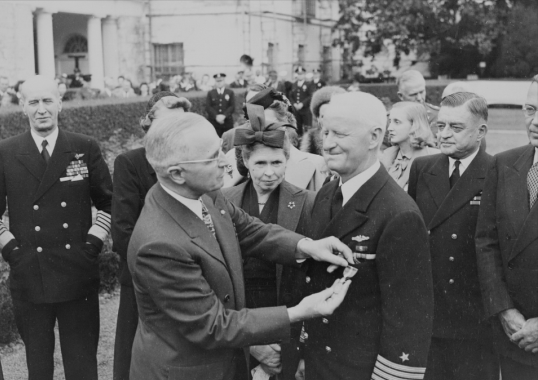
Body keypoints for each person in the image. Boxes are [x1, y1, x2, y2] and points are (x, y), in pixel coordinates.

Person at [128, 111, 354, 380]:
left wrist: (306, 246)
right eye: (213, 157)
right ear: (177, 173)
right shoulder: (159, 245)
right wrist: (299, 312)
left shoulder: (204, 193)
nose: (226, 163)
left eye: (221, 151)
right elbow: (213, 326)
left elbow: (249, 230)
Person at [300, 91, 434, 380]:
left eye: (340, 134)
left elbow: (407, 320)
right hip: (319, 365)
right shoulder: (327, 194)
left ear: (374, 138)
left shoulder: (399, 214)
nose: (328, 143)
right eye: (325, 132)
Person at [0, 75, 112, 380]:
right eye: (33, 102)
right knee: (39, 366)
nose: (41, 109)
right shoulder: (6, 151)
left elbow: (110, 203)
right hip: (29, 273)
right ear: (22, 106)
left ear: (60, 103)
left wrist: (93, 244)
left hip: (77, 271)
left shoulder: (83, 147)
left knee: (82, 364)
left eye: (47, 100)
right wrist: (11, 250)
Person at [408, 92, 498, 380]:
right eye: (440, 125)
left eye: (456, 128)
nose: (444, 134)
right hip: (428, 312)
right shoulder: (422, 168)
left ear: (481, 131)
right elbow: (414, 235)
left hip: (474, 318)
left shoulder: (499, 171)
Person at [222, 104, 315, 380]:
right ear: (246, 162)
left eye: (277, 163)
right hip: (239, 319)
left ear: (287, 161)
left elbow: (311, 278)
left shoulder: (307, 202)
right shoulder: (225, 201)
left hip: (286, 317)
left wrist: (300, 349)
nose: (269, 172)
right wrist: (251, 344)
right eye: (260, 163)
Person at [111, 91, 192, 380]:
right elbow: (122, 232)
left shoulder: (194, 165)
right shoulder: (130, 163)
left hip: (189, 280)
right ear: (148, 124)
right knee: (135, 362)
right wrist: (162, 269)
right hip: (143, 279)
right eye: (165, 123)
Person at [475, 74, 538, 379]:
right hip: (515, 334)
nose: (535, 121)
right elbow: (486, 242)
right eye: (529, 109)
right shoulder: (503, 164)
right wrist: (504, 310)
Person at [223, 88, 328, 191]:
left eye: (269, 125)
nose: (260, 130)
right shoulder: (231, 158)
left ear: (285, 125)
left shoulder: (315, 165)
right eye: (254, 123)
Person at [382, 102, 440, 190]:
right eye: (390, 122)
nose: (389, 128)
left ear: (414, 125)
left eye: (397, 122)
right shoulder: (385, 156)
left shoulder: (433, 158)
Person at [206, 73, 235, 137]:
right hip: (214, 122)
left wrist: (224, 116)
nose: (219, 83)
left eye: (221, 81)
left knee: (228, 141)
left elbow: (232, 106)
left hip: (227, 122)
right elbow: (208, 107)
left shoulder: (230, 92)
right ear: (215, 82)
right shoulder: (211, 93)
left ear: (224, 81)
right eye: (217, 81)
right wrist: (216, 116)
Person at [288, 66, 314, 135]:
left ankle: (307, 144)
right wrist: (294, 104)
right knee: (297, 129)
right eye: (298, 74)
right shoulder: (294, 84)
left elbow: (311, 96)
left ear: (304, 74)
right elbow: (290, 96)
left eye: (301, 74)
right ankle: (298, 143)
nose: (300, 76)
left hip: (306, 110)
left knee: (307, 130)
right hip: (296, 111)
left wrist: (302, 104)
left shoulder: (309, 84)